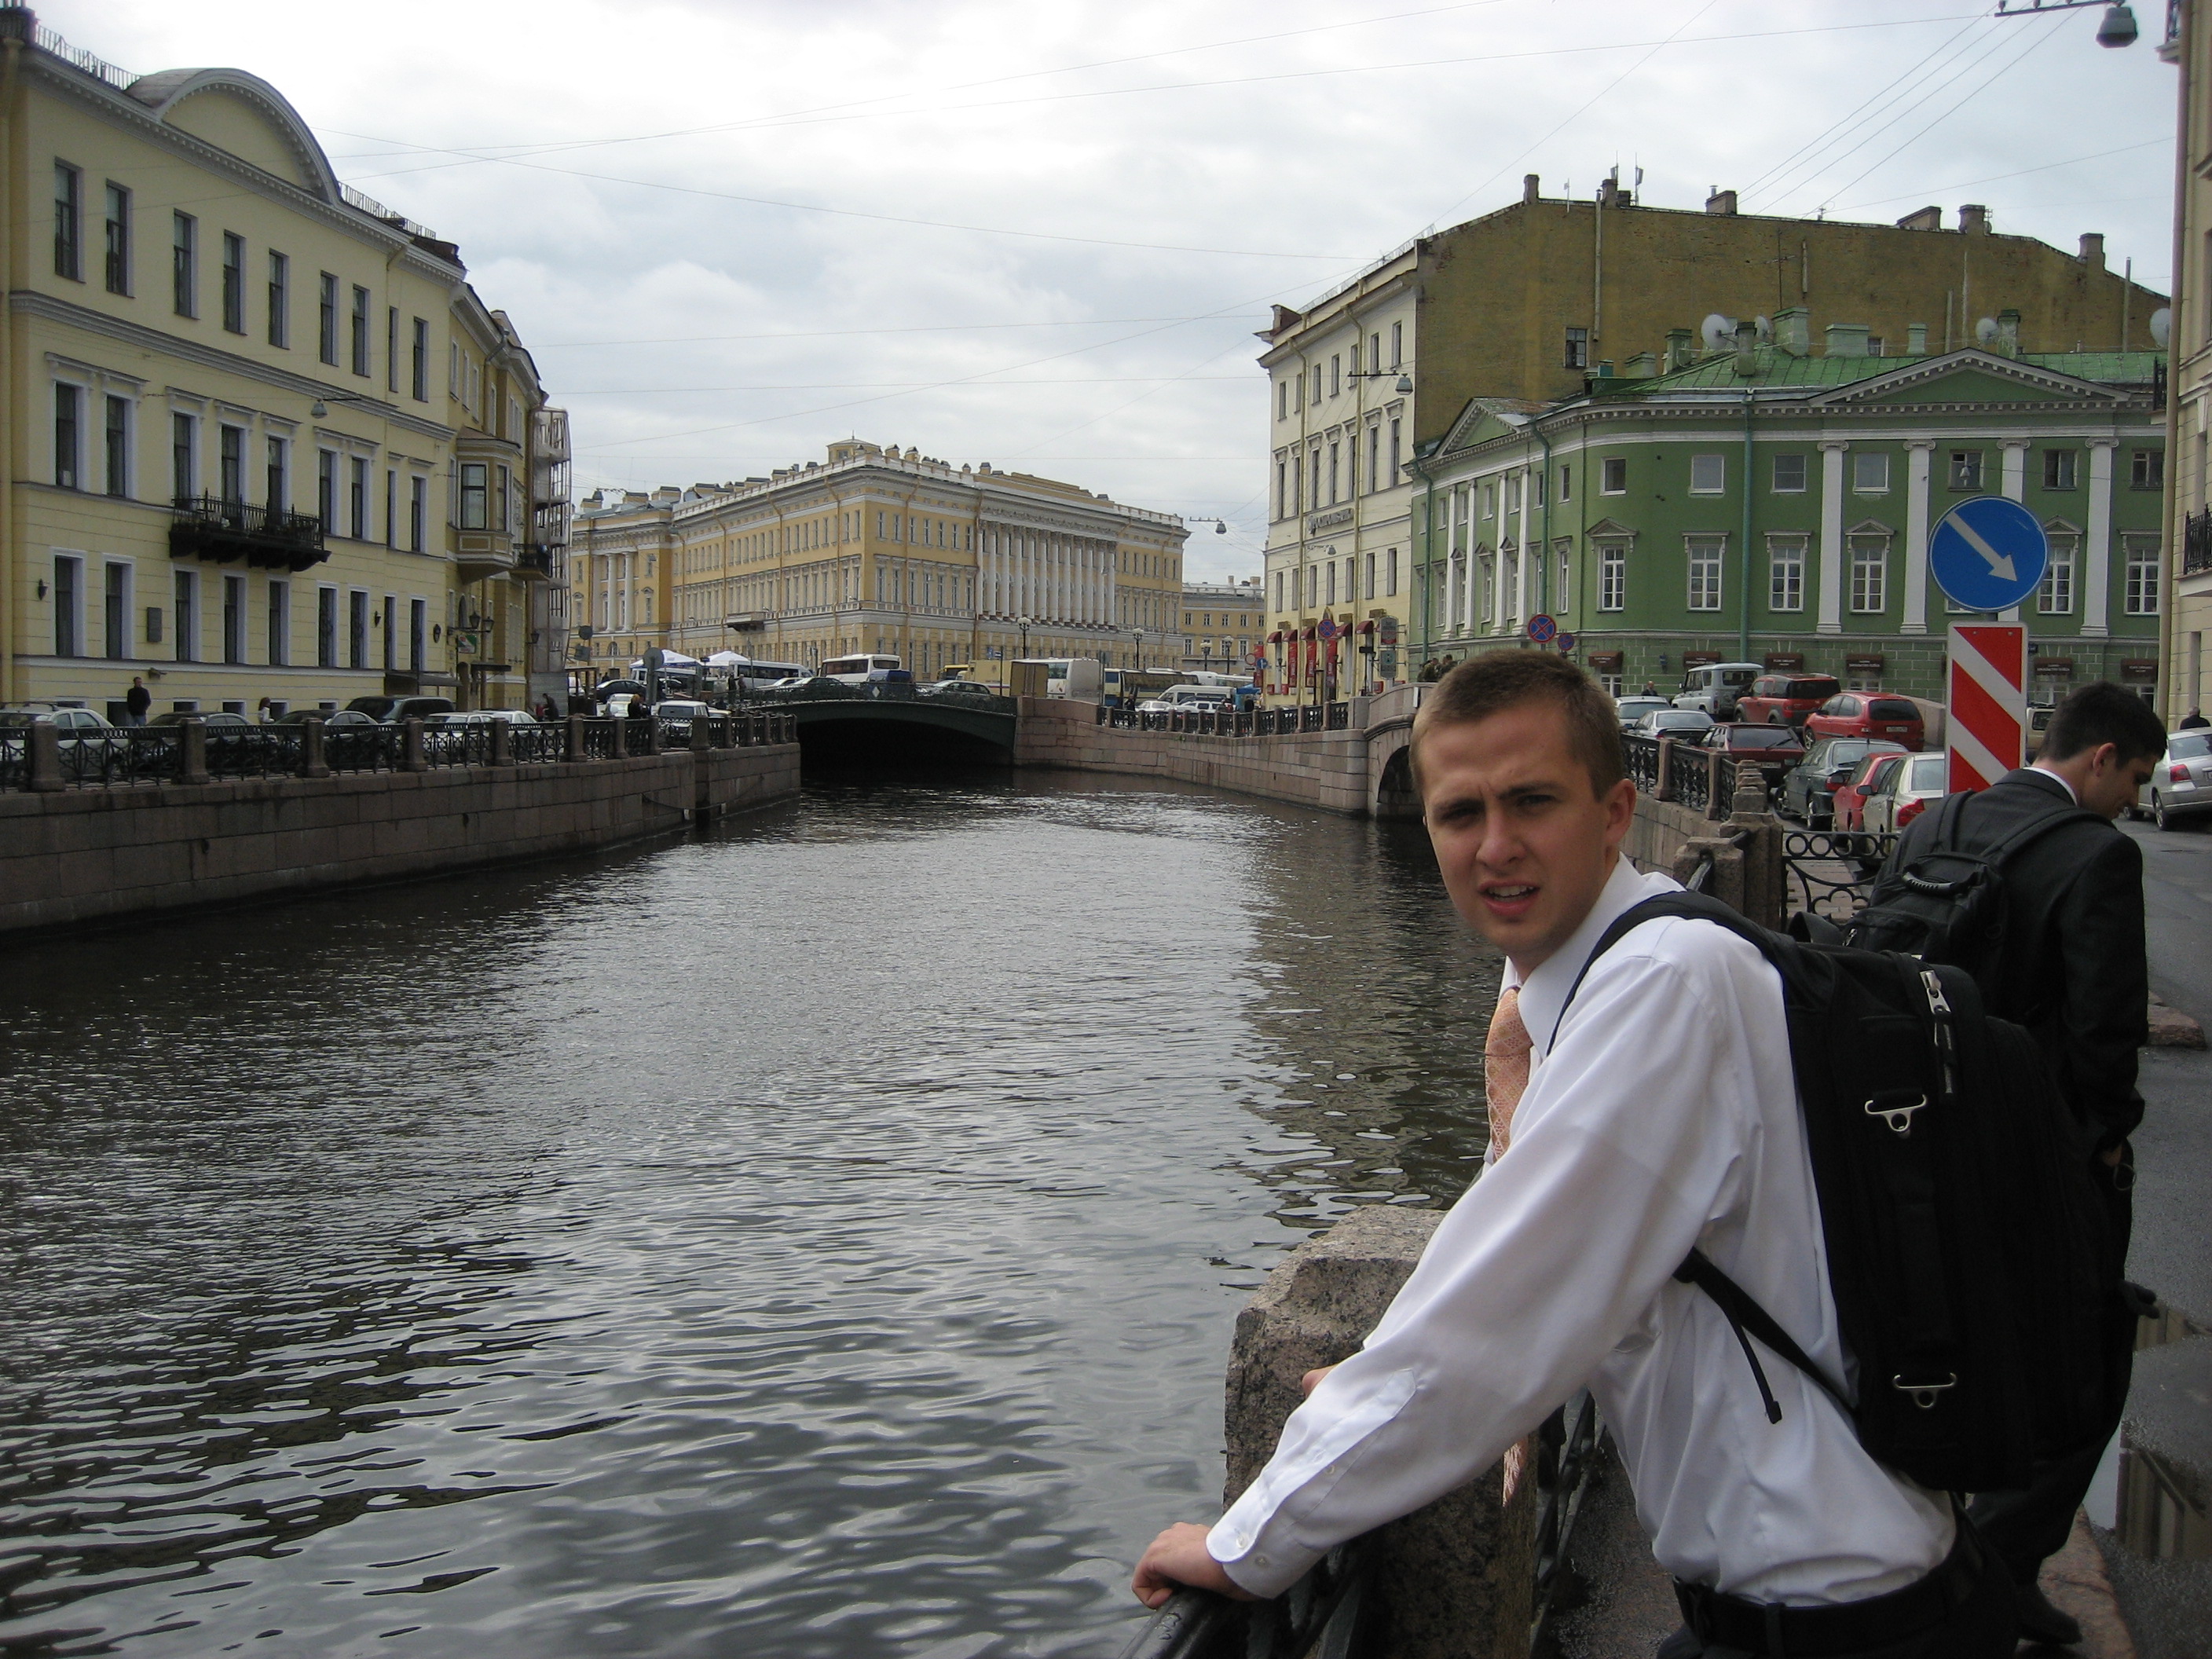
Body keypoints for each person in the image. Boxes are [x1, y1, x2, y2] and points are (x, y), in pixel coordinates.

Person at [1132, 650, 2015, 1657]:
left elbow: (1501, 1311)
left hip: (1844, 1619)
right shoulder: (1597, 973)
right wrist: (1374, 1369)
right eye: (1459, 814)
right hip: (1808, 1599)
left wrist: (1249, 1543)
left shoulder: (1660, 988)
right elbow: (1505, 1224)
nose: (1494, 846)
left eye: (1531, 802)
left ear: (1612, 812)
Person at [1865, 679, 2163, 1648]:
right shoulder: (2095, 856)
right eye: (2136, 778)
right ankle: (1993, 1573)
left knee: (1934, 1354)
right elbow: (2104, 1030)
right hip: (2034, 1160)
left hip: (1908, 1146)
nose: (2134, 800)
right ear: (2100, 759)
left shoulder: (1938, 822)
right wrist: (2103, 1142)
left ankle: (1926, 1556)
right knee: (2085, 1371)